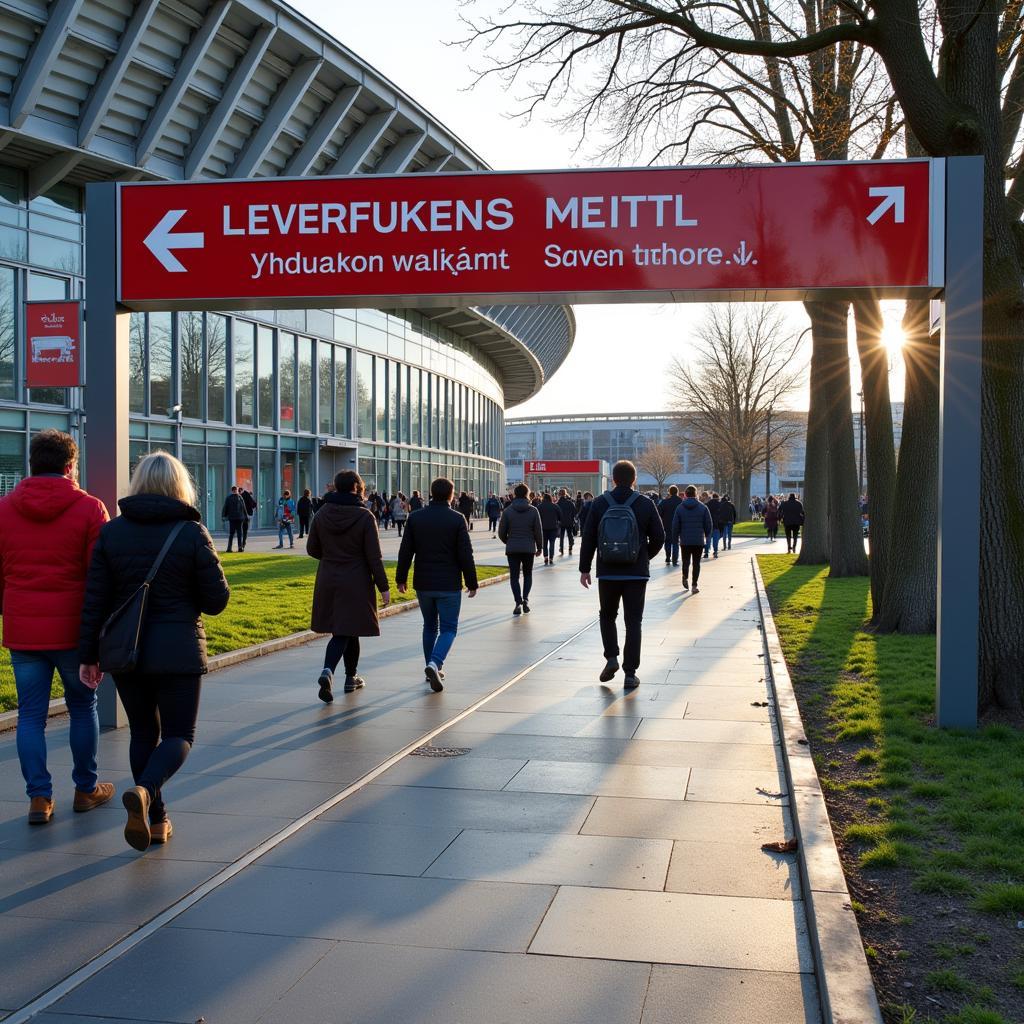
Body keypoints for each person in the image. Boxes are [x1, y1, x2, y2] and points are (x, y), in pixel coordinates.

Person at [79, 452, 229, 851]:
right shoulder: (191, 532)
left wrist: (87, 655)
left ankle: (157, 818)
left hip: (127, 652)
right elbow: (216, 601)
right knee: (179, 734)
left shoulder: (112, 533)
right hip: (178, 648)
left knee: (144, 731)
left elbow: (94, 600)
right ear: (180, 485)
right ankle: (145, 792)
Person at [0, 429, 112, 825]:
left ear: (33, 464)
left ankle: (39, 799)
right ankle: (85, 788)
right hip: (73, 631)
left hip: (23, 629)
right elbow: (100, 576)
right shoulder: (90, 508)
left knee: (30, 715)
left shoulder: (4, 509)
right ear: (70, 466)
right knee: (83, 707)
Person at [578, 460, 665, 689]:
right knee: (633, 621)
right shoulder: (645, 503)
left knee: (607, 616)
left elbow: (588, 537)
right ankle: (630, 673)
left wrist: (584, 568)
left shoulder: (599, 503)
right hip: (636, 573)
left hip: (607, 572)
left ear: (613, 479)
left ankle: (611, 658)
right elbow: (659, 536)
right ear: (634, 479)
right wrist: (643, 556)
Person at [307, 471, 391, 701]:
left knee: (347, 629)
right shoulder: (364, 517)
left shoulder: (322, 513)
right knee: (346, 630)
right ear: (356, 487)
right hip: (356, 579)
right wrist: (384, 587)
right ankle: (328, 670)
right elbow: (374, 556)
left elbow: (312, 548)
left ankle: (350, 677)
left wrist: (331, 556)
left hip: (328, 577)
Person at [396, 477, 478, 692]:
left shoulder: (415, 518)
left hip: (423, 581)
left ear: (431, 493)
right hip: (449, 582)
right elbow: (465, 554)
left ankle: (430, 666)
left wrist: (401, 578)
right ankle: (435, 663)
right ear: (451, 495)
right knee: (449, 628)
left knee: (429, 626)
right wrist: (472, 582)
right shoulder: (457, 519)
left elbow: (406, 551)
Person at [498, 483, 543, 615]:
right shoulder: (534, 510)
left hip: (513, 548)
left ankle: (518, 601)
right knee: (528, 574)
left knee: (514, 577)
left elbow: (501, 532)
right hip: (528, 548)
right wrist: (539, 547)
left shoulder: (507, 511)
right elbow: (538, 531)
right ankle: (526, 599)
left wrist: (508, 541)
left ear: (514, 494)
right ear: (527, 494)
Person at [671, 485, 713, 593]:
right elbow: (709, 524)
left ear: (685, 494)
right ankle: (694, 585)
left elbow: (675, 525)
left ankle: (685, 576)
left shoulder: (680, 508)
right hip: (698, 540)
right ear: (696, 494)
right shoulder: (703, 508)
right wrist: (707, 535)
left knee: (686, 561)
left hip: (685, 540)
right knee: (696, 563)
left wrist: (675, 538)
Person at [657, 485, 683, 566]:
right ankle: (675, 559)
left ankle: (668, 556)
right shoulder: (681, 502)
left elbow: (659, 513)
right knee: (675, 542)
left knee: (667, 541)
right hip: (678, 524)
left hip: (667, 524)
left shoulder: (665, 502)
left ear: (669, 492)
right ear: (677, 492)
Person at [221, 485, 247, 552]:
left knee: (231, 533)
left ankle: (229, 548)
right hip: (239, 518)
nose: (236, 491)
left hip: (232, 518)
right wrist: (246, 516)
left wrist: (223, 516)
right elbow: (243, 508)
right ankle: (240, 548)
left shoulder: (229, 498)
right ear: (236, 490)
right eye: (236, 490)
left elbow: (225, 507)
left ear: (232, 490)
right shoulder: (240, 497)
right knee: (239, 533)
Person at [538, 492, 560, 564]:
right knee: (552, 543)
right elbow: (560, 516)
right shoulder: (555, 506)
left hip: (543, 528)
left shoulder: (539, 506)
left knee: (544, 543)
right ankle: (551, 557)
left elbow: (537, 518)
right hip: (553, 527)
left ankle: (545, 557)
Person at [556, 488, 578, 556]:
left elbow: (556, 513)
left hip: (561, 522)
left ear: (559, 495)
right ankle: (570, 546)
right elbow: (575, 511)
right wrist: (571, 518)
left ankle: (561, 548)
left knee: (562, 535)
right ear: (565, 494)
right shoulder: (570, 502)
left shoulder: (558, 503)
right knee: (569, 534)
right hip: (569, 521)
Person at [706, 492, 723, 558]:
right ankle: (715, 551)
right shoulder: (720, 505)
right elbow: (721, 516)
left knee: (708, 539)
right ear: (718, 497)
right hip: (717, 524)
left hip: (709, 524)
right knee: (715, 540)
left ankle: (706, 552)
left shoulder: (707, 504)